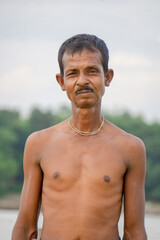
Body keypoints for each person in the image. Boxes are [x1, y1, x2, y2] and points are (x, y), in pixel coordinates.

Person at [12, 34, 147, 240]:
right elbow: (25, 227)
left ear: (107, 77)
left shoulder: (130, 148)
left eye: (92, 71)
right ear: (61, 81)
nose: (82, 81)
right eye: (73, 73)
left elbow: (134, 231)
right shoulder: (39, 143)